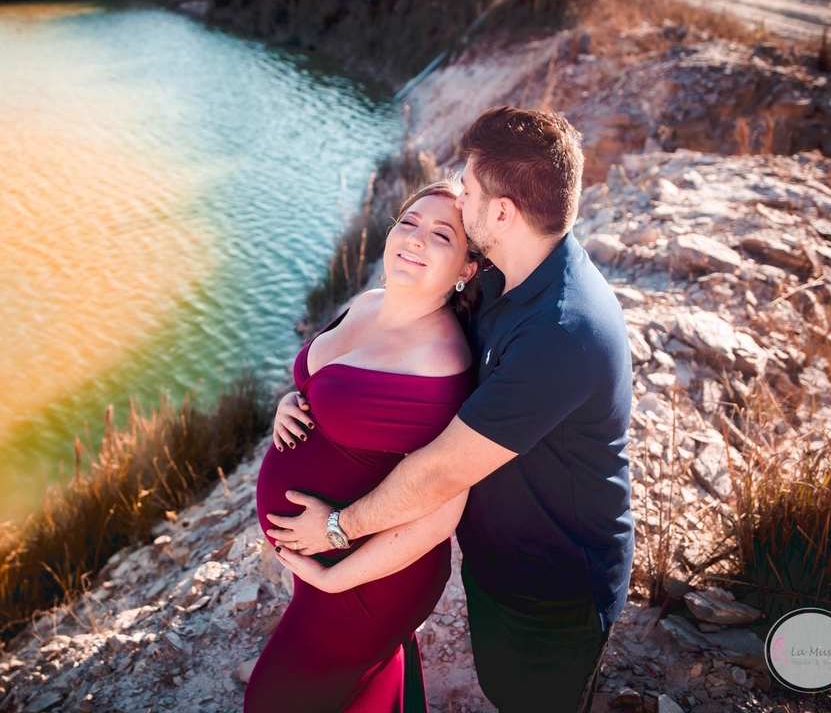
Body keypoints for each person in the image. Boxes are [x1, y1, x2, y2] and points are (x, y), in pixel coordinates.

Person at [267, 106, 634, 713]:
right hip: (494, 560)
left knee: (531, 701)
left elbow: (441, 470)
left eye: (466, 193)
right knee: (497, 686)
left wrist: (336, 533)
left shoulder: (561, 333)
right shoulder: (505, 280)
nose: (456, 202)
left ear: (501, 213)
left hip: (551, 586)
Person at [245, 181, 483, 713]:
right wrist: (294, 398)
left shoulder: (440, 364)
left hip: (370, 578)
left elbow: (443, 510)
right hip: (329, 559)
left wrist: (334, 574)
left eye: (441, 234)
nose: (415, 239)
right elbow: (329, 386)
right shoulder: (368, 303)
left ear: (466, 269)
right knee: (354, 693)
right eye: (409, 222)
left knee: (273, 703)